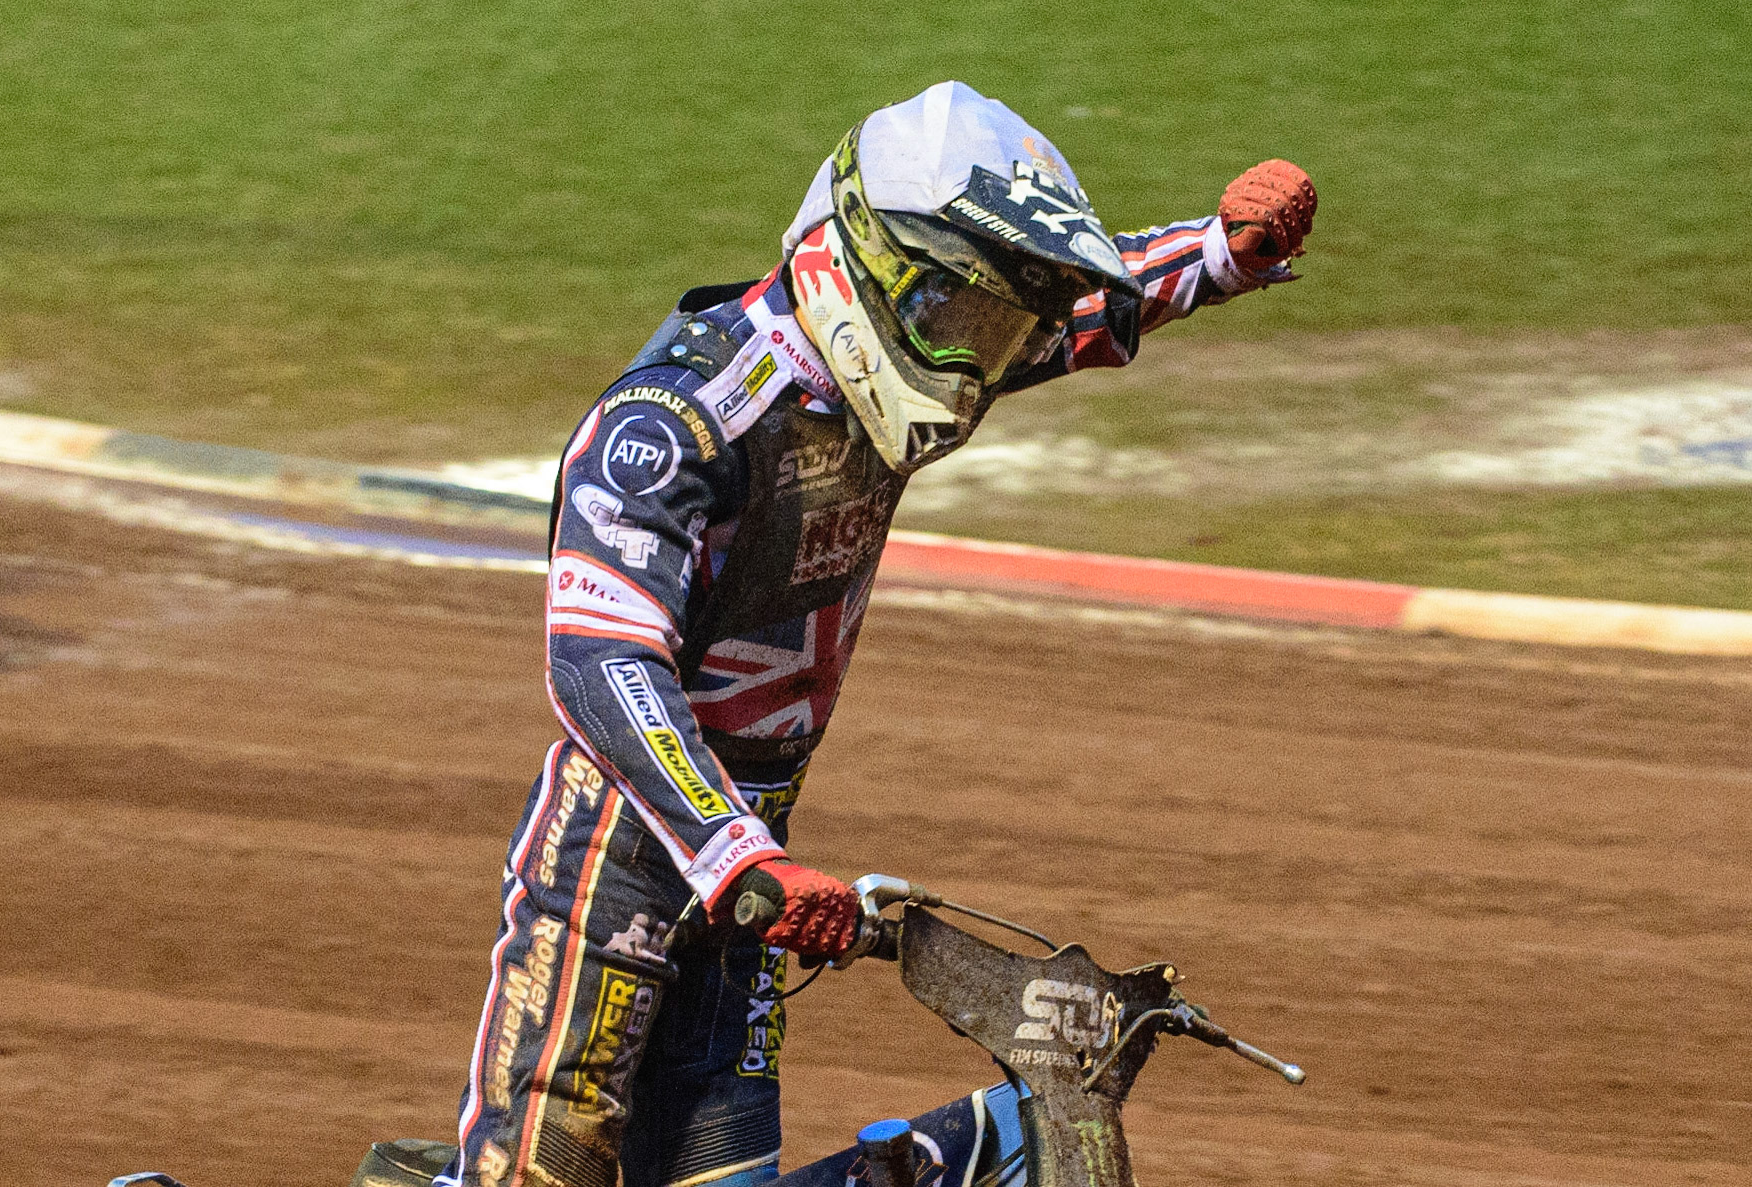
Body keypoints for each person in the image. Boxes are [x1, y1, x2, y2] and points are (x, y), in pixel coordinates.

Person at [440, 80, 1316, 1187]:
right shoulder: (675, 421)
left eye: (996, 326)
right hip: (621, 860)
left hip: (759, 860)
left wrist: (1218, 254)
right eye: (965, 315)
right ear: (861, 265)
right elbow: (601, 660)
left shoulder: (912, 357)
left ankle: (997, 1146)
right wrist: (733, 851)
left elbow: (1078, 318)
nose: (978, 360)